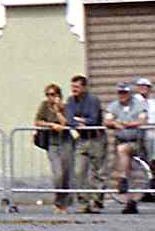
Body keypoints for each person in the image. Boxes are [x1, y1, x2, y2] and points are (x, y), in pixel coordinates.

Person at [65, 74, 107, 213]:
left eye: (76, 87)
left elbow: (94, 119)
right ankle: (83, 202)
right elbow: (69, 119)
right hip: (81, 139)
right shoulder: (70, 100)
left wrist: (81, 121)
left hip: (97, 139)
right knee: (78, 171)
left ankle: (97, 201)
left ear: (84, 87)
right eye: (72, 87)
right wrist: (79, 121)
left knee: (98, 172)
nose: (74, 89)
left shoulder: (93, 100)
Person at [33, 82, 76, 210]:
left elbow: (66, 123)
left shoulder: (66, 106)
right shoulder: (44, 106)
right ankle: (58, 202)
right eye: (48, 95)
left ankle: (65, 203)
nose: (50, 97)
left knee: (67, 174)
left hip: (66, 143)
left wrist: (58, 111)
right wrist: (51, 125)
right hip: (52, 144)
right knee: (58, 174)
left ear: (59, 95)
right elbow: (37, 121)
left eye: (52, 94)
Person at [108, 83, 149, 214]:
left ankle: (123, 178)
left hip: (136, 142)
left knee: (123, 151)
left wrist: (127, 124)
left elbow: (143, 120)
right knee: (129, 168)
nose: (122, 95)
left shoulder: (138, 104)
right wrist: (114, 123)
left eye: (125, 93)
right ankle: (130, 202)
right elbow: (107, 120)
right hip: (120, 141)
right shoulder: (114, 105)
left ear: (130, 93)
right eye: (120, 93)